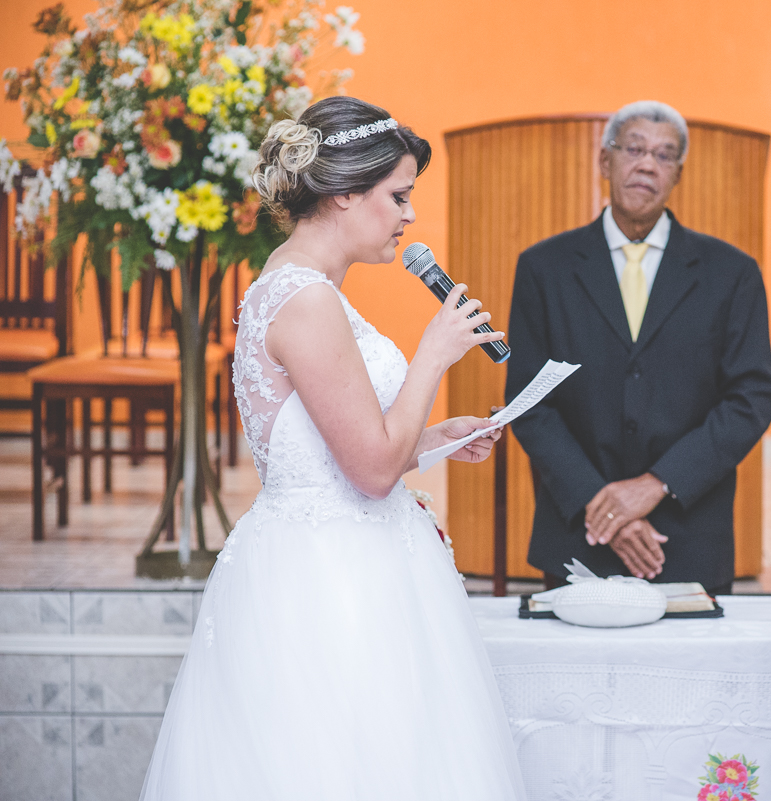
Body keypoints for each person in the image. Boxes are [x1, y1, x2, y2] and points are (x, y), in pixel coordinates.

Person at [140, 97, 526, 801]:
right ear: (345, 193)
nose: (410, 217)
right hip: (331, 578)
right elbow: (372, 471)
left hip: (338, 550)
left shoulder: (302, 288)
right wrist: (432, 357)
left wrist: (436, 438)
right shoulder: (305, 299)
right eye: (398, 195)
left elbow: (336, 447)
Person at [505, 100, 771, 596]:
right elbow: (529, 402)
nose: (647, 163)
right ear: (604, 161)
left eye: (664, 155)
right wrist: (605, 506)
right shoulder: (544, 268)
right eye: (633, 148)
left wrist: (655, 485)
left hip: (686, 531)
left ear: (678, 174)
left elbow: (749, 400)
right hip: (579, 532)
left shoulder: (731, 273)